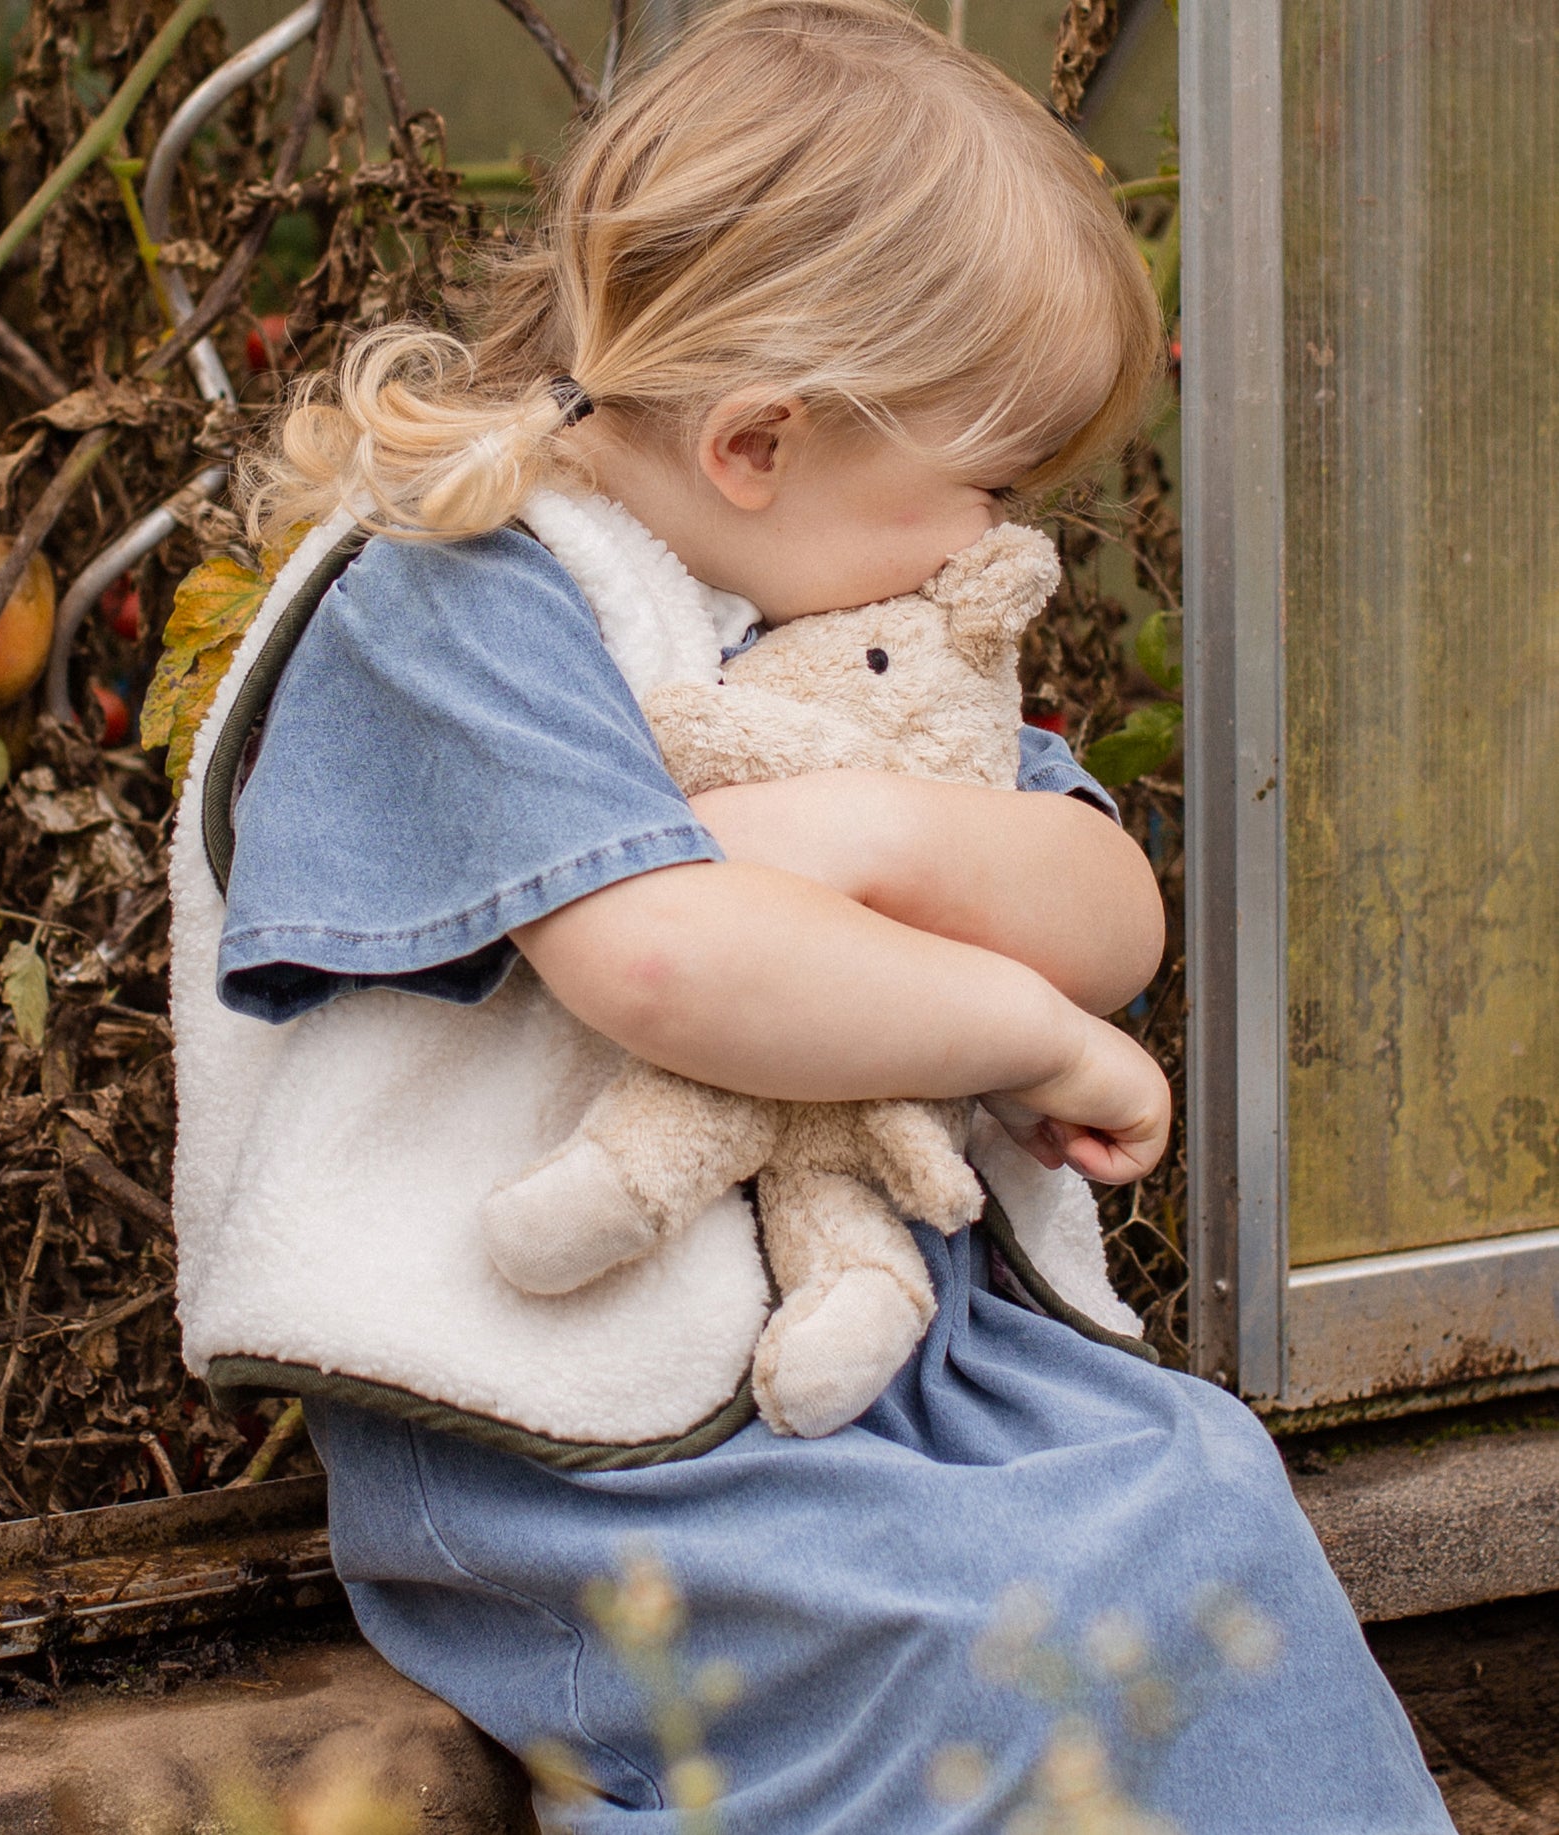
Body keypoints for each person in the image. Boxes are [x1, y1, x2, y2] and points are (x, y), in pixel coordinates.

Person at [204, 1, 1455, 1827]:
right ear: (756, 444)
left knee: (1195, 1485)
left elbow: (1107, 904)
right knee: (977, 1633)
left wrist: (866, 831)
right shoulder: (463, 600)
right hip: (576, 1450)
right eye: (985, 487)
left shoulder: (847, 628)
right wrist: (1024, 1033)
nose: (989, 548)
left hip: (890, 1373)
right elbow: (664, 960)